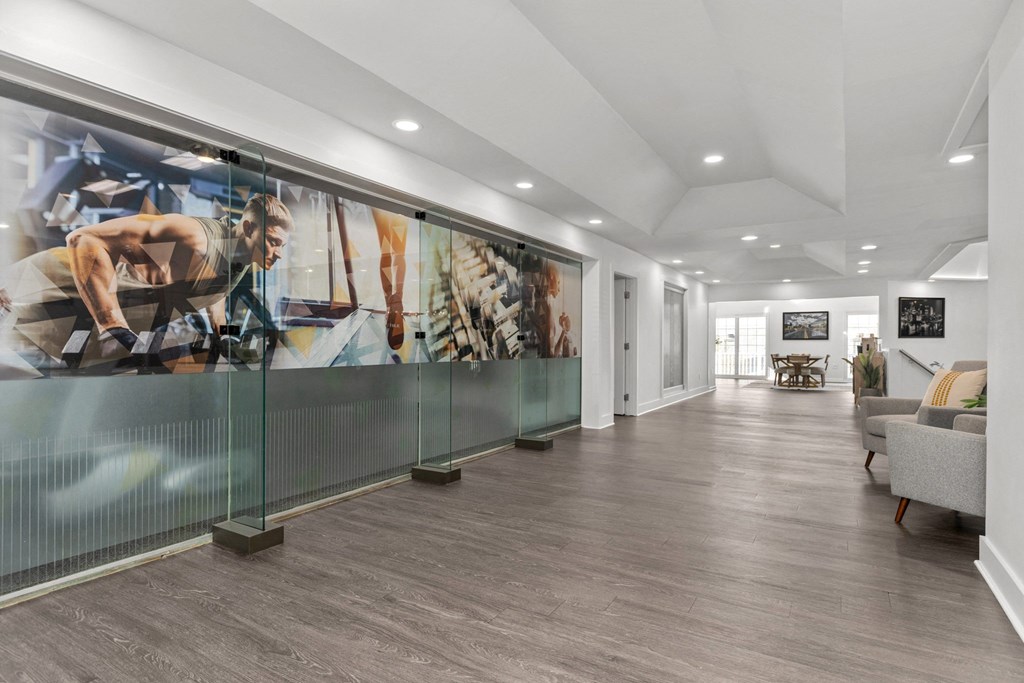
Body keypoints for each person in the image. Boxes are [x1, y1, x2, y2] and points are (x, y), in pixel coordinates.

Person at [0, 193, 293, 369]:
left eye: (282, 245)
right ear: (248, 228)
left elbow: (216, 290)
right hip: (38, 291)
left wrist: (225, 334)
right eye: (273, 242)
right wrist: (114, 326)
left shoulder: (240, 257)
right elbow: (83, 239)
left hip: (69, 328)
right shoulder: (192, 237)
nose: (279, 253)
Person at [370, 207, 408, 350]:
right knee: (399, 253)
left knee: (385, 253)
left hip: (381, 206)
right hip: (401, 204)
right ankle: (397, 300)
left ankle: (389, 306)